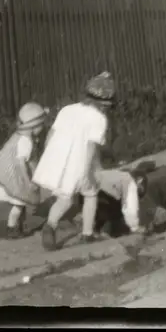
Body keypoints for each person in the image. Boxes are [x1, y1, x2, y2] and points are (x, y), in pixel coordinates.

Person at [32, 71, 116, 251]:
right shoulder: (99, 119)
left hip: (58, 158)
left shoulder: (67, 109)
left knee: (65, 199)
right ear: (105, 104)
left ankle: (50, 225)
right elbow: (91, 147)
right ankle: (87, 233)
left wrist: (47, 157)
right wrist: (87, 170)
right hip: (80, 162)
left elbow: (51, 134)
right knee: (91, 193)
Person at [0, 101, 50, 237]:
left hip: (11, 168)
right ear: (33, 126)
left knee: (20, 201)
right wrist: (28, 181)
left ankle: (19, 226)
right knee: (19, 203)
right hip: (13, 172)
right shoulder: (26, 141)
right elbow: (21, 163)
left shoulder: (20, 135)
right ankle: (11, 228)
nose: (42, 128)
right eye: (40, 125)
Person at [80, 168, 149, 238]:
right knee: (119, 209)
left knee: (110, 207)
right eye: (139, 190)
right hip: (98, 193)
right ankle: (98, 231)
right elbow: (129, 206)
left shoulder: (117, 175)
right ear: (139, 180)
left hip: (85, 193)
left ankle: (93, 231)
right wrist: (135, 227)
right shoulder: (129, 181)